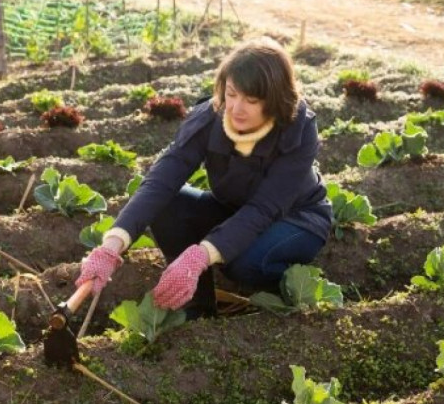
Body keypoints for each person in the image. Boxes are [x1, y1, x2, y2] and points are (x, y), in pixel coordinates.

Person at [76, 37, 332, 320]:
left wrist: (201, 255)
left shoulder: (298, 130)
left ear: (273, 100)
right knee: (170, 204)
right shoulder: (211, 117)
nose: (236, 108)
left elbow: (264, 208)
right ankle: (196, 307)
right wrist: (112, 244)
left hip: (295, 218)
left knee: (243, 264)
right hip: (233, 210)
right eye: (232, 93)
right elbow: (162, 179)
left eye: (252, 100)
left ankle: (285, 287)